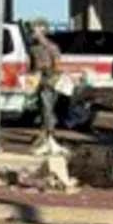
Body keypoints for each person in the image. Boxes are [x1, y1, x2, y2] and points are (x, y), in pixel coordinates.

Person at [27, 21, 63, 151]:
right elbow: (31, 66)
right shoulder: (32, 48)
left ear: (42, 32)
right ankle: (46, 133)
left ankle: (49, 134)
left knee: (47, 107)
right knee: (42, 108)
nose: (32, 33)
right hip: (39, 80)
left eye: (34, 31)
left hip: (49, 79)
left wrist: (53, 79)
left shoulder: (52, 47)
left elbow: (58, 66)